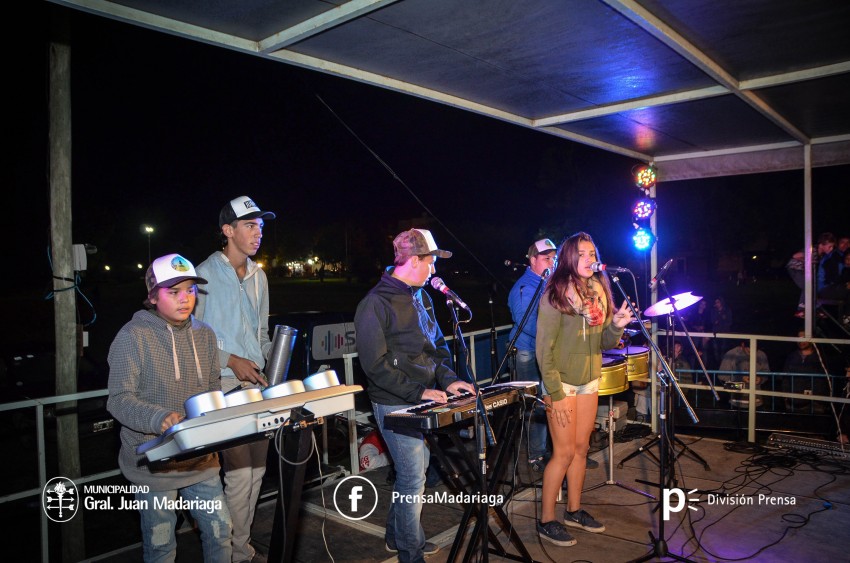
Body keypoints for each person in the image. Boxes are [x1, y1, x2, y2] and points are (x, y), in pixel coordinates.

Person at [354, 228, 476, 562]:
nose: (434, 270)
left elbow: (435, 348)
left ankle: (398, 536)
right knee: (412, 477)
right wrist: (419, 389)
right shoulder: (374, 304)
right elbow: (374, 366)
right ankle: (410, 552)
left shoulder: (421, 296)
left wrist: (448, 379)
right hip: (394, 402)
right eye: (431, 262)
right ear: (413, 260)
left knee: (416, 470)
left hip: (423, 396)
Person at [107, 253, 232, 562]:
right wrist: (159, 418)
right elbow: (118, 399)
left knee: (221, 532)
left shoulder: (205, 334)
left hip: (201, 461)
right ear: (152, 296)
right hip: (154, 465)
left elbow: (213, 389)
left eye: (190, 290)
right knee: (161, 546)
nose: (185, 299)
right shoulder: (131, 336)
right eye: (173, 292)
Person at [535, 232, 633, 546]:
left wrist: (616, 324)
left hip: (590, 380)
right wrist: (555, 393)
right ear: (568, 257)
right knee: (562, 453)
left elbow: (604, 342)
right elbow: (543, 350)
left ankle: (573, 510)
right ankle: (546, 519)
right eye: (582, 252)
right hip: (560, 383)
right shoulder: (556, 292)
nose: (589, 257)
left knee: (580, 449)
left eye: (592, 251)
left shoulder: (599, 290)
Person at [195, 195, 276, 563]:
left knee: (257, 472)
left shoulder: (260, 276)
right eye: (249, 225)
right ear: (228, 230)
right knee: (239, 474)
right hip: (223, 384)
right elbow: (190, 339)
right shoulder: (203, 275)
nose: (257, 233)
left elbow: (262, 334)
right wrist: (230, 359)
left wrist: (271, 363)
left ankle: (239, 548)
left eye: (260, 226)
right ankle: (228, 552)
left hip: (257, 384)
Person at [507, 238, 557, 472]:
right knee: (535, 406)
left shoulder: (548, 283)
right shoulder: (525, 287)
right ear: (533, 260)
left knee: (550, 401)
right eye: (546, 258)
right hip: (527, 353)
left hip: (544, 352)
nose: (552, 262)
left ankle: (554, 451)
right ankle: (536, 456)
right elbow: (528, 322)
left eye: (553, 257)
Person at [782, 331, 829, 413]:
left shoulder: (821, 357)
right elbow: (785, 377)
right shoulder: (791, 356)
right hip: (795, 402)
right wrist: (785, 396)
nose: (801, 341)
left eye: (804, 338)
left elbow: (826, 379)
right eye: (798, 338)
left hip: (816, 402)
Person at [718, 340, 770, 409]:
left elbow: (766, 373)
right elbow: (722, 376)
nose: (752, 352)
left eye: (755, 349)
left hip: (756, 401)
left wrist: (760, 379)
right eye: (749, 349)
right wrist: (740, 378)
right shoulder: (731, 354)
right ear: (743, 345)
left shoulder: (762, 355)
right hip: (735, 401)